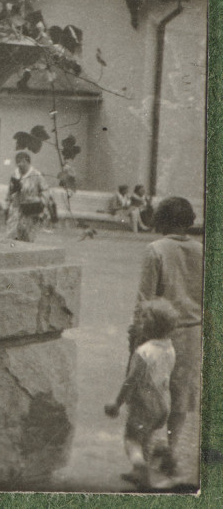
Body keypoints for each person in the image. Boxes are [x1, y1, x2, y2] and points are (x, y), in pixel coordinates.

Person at [134, 196, 203, 488]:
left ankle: (146, 458)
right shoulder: (202, 250)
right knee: (181, 397)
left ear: (160, 220)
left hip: (160, 333)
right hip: (192, 331)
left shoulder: (155, 250)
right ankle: (172, 452)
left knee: (150, 396)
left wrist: (136, 337)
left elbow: (144, 300)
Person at [104, 298, 179, 490]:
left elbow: (130, 381)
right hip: (163, 403)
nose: (140, 323)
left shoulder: (143, 352)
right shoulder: (170, 348)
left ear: (150, 325)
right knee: (146, 436)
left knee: (132, 440)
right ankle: (141, 470)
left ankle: (140, 467)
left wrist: (117, 403)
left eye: (143, 320)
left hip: (143, 404)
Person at [5, 151, 49, 242]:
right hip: (16, 209)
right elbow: (10, 191)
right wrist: (10, 197)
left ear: (26, 161)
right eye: (17, 162)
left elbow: (45, 191)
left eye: (21, 162)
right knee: (11, 236)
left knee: (27, 237)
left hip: (30, 210)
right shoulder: (15, 174)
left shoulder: (36, 175)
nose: (19, 165)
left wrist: (38, 200)